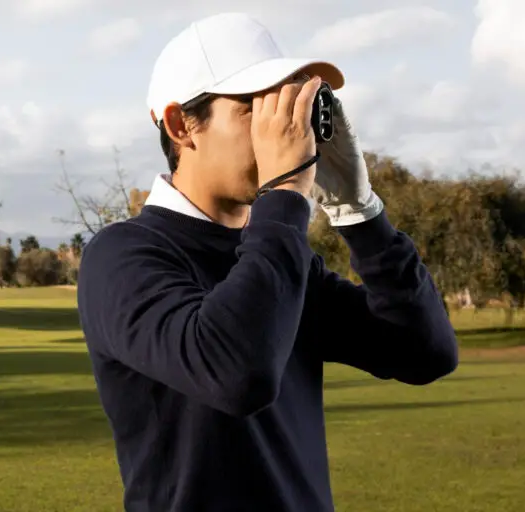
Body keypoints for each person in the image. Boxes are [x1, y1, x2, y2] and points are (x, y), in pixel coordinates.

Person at [76, 12, 459, 512]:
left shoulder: (279, 255)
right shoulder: (121, 257)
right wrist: (284, 193)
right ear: (180, 125)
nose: (283, 132)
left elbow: (425, 351)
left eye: (288, 106)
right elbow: (237, 375)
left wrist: (358, 211)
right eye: (255, 109)